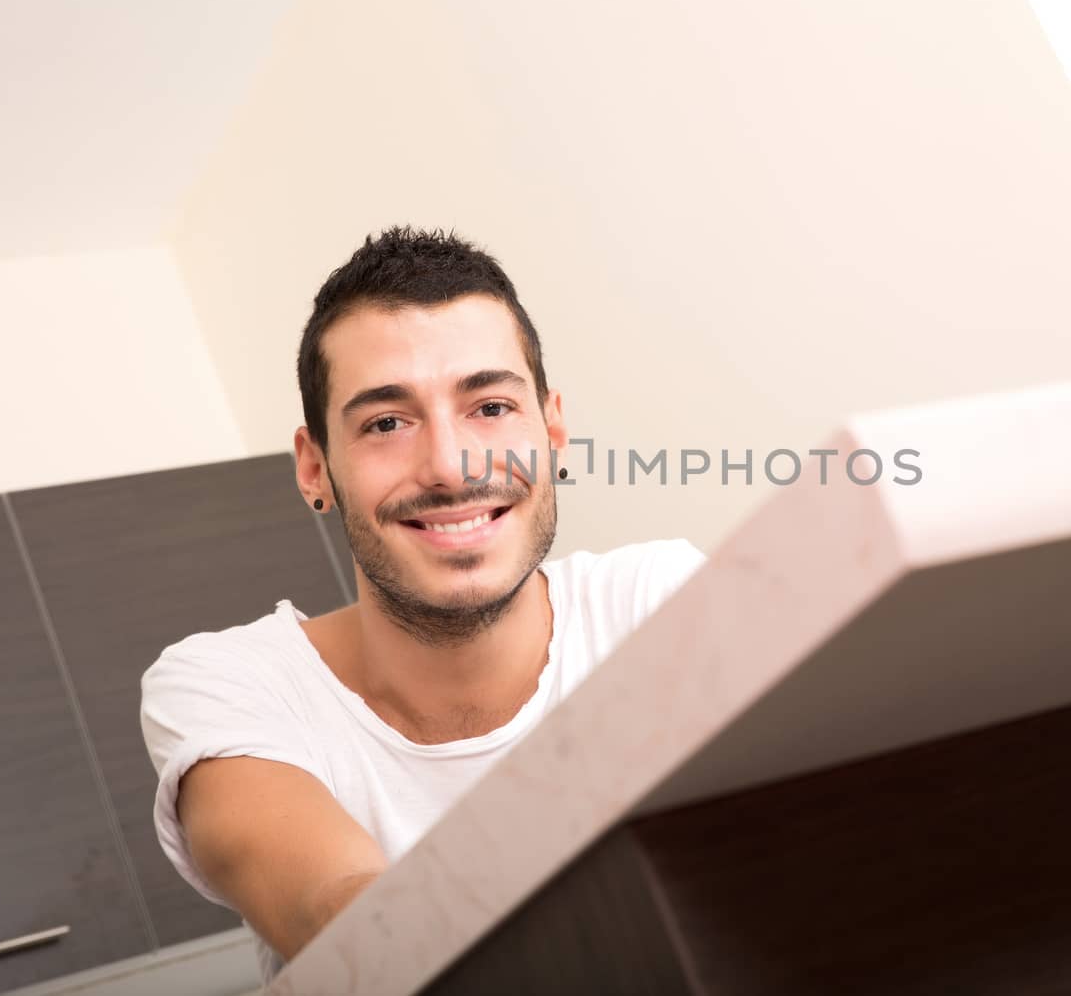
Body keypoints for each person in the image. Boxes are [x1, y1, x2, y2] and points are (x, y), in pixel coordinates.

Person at [139, 227, 706, 984]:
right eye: (385, 423)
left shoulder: (658, 602)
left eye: (491, 406)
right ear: (316, 469)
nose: (448, 467)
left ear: (553, 429)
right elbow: (335, 913)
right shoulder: (230, 683)